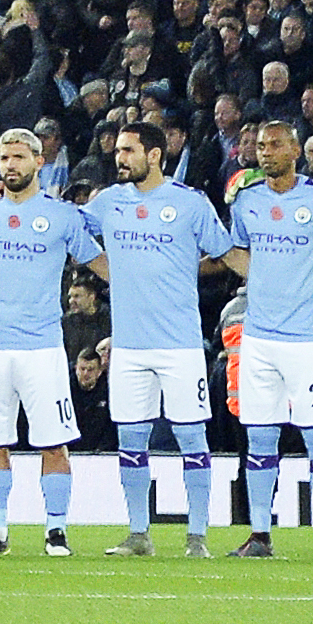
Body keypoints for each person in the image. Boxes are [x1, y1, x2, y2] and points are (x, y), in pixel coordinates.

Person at [0, 128, 103, 556]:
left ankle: (56, 532)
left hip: (42, 347)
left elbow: (96, 261)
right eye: (4, 159)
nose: (10, 165)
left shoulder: (62, 215)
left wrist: (142, 288)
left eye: (18, 157)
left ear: (39, 161)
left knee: (53, 442)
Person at [85, 119, 230, 556]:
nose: (119, 158)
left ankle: (198, 536)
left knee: (191, 438)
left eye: (128, 150)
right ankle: (138, 533)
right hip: (128, 344)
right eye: (117, 151)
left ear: (154, 154)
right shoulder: (107, 202)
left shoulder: (190, 203)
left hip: (180, 344)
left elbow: (224, 254)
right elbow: (65, 230)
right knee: (131, 440)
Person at [223, 117, 313, 559]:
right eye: (261, 144)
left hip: (307, 339)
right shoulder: (246, 201)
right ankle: (260, 534)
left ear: (295, 151)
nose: (265, 151)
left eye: (275, 144)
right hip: (259, 336)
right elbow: (237, 251)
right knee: (260, 438)